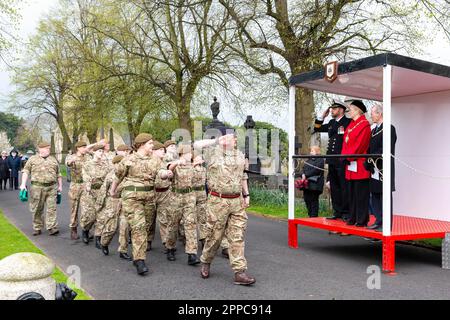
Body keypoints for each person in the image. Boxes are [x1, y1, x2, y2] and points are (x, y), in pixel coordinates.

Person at [194, 133, 255, 286]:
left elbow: (243, 177)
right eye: (228, 137)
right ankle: (206, 261)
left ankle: (239, 272)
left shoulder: (241, 156)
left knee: (237, 236)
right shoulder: (212, 153)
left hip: (236, 201)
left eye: (234, 137)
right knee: (214, 236)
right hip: (217, 201)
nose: (232, 139)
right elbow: (196, 145)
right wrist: (216, 140)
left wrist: (246, 194)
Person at [110, 133, 172, 275]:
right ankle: (139, 260)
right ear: (142, 144)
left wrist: (166, 173)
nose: (152, 145)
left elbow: (161, 171)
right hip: (132, 197)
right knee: (138, 228)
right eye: (150, 143)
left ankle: (138, 254)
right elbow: (118, 176)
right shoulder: (129, 159)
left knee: (145, 227)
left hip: (149, 197)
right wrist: (113, 190)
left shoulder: (155, 160)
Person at [313, 100, 351, 221]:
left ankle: (346, 212)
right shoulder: (331, 122)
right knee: (334, 187)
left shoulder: (348, 122)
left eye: (334, 109)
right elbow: (317, 128)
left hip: (342, 159)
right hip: (332, 160)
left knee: (344, 187)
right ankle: (337, 211)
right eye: (331, 109)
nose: (331, 111)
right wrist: (321, 117)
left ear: (341, 109)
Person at [365, 104, 397, 232]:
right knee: (375, 195)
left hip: (383, 168)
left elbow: (386, 148)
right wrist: (368, 161)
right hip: (374, 168)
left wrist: (373, 158)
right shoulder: (373, 130)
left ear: (380, 114)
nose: (371, 115)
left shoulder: (389, 128)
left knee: (385, 195)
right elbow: (370, 148)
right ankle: (378, 221)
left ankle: (386, 224)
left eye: (373, 113)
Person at [166, 144, 200, 265]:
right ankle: (170, 247)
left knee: (190, 224)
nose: (191, 155)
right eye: (188, 153)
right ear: (182, 154)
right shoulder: (175, 165)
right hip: (176, 197)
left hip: (189, 196)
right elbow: (168, 168)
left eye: (191, 153)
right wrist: (178, 162)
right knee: (173, 224)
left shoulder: (192, 166)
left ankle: (192, 254)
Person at [20, 142, 62, 236]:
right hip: (37, 188)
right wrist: (23, 184)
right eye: (47, 148)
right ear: (40, 149)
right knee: (37, 208)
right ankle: (37, 227)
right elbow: (26, 171)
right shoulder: (32, 159)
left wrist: (60, 186)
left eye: (49, 148)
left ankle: (52, 227)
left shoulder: (53, 160)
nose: (48, 150)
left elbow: (58, 174)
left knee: (52, 208)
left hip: (52, 187)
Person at [341, 100, 372, 227]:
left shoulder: (364, 125)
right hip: (350, 163)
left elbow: (361, 144)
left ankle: (361, 219)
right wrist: (344, 156)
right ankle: (352, 216)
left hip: (358, 163)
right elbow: (345, 141)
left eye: (351, 109)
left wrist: (349, 156)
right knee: (352, 193)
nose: (350, 111)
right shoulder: (351, 124)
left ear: (358, 110)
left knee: (361, 194)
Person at [80, 144, 112, 248]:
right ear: (93, 152)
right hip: (89, 193)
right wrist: (88, 185)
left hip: (102, 193)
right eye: (99, 151)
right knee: (89, 216)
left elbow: (110, 175)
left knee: (102, 217)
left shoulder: (106, 165)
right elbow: (85, 176)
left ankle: (98, 238)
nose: (101, 153)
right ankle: (85, 230)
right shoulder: (87, 164)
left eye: (102, 151)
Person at [65, 141, 89, 240]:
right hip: (75, 184)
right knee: (74, 209)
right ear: (78, 148)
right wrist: (71, 162)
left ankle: (85, 230)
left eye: (85, 147)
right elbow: (68, 163)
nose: (84, 149)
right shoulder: (72, 157)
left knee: (86, 208)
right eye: (83, 147)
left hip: (85, 184)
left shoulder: (88, 157)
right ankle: (73, 229)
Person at [153, 141, 172, 252]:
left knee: (164, 219)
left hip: (164, 193)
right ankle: (149, 240)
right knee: (149, 219)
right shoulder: (149, 162)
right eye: (160, 150)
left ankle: (166, 242)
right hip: (152, 192)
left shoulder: (166, 162)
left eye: (163, 150)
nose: (163, 152)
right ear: (153, 151)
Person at [115, 144, 132, 260]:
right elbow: (115, 182)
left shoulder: (132, 162)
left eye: (128, 151)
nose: (126, 152)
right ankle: (123, 249)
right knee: (123, 225)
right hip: (121, 199)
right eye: (124, 151)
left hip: (134, 199)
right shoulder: (117, 165)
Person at [300, 146, 325, 218]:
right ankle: (310, 214)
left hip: (315, 184)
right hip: (307, 184)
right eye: (310, 151)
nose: (311, 152)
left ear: (317, 151)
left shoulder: (320, 160)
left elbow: (316, 170)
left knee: (313, 200)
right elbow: (303, 168)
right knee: (307, 199)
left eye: (312, 151)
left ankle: (314, 216)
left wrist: (306, 175)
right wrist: (303, 174)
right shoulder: (308, 160)